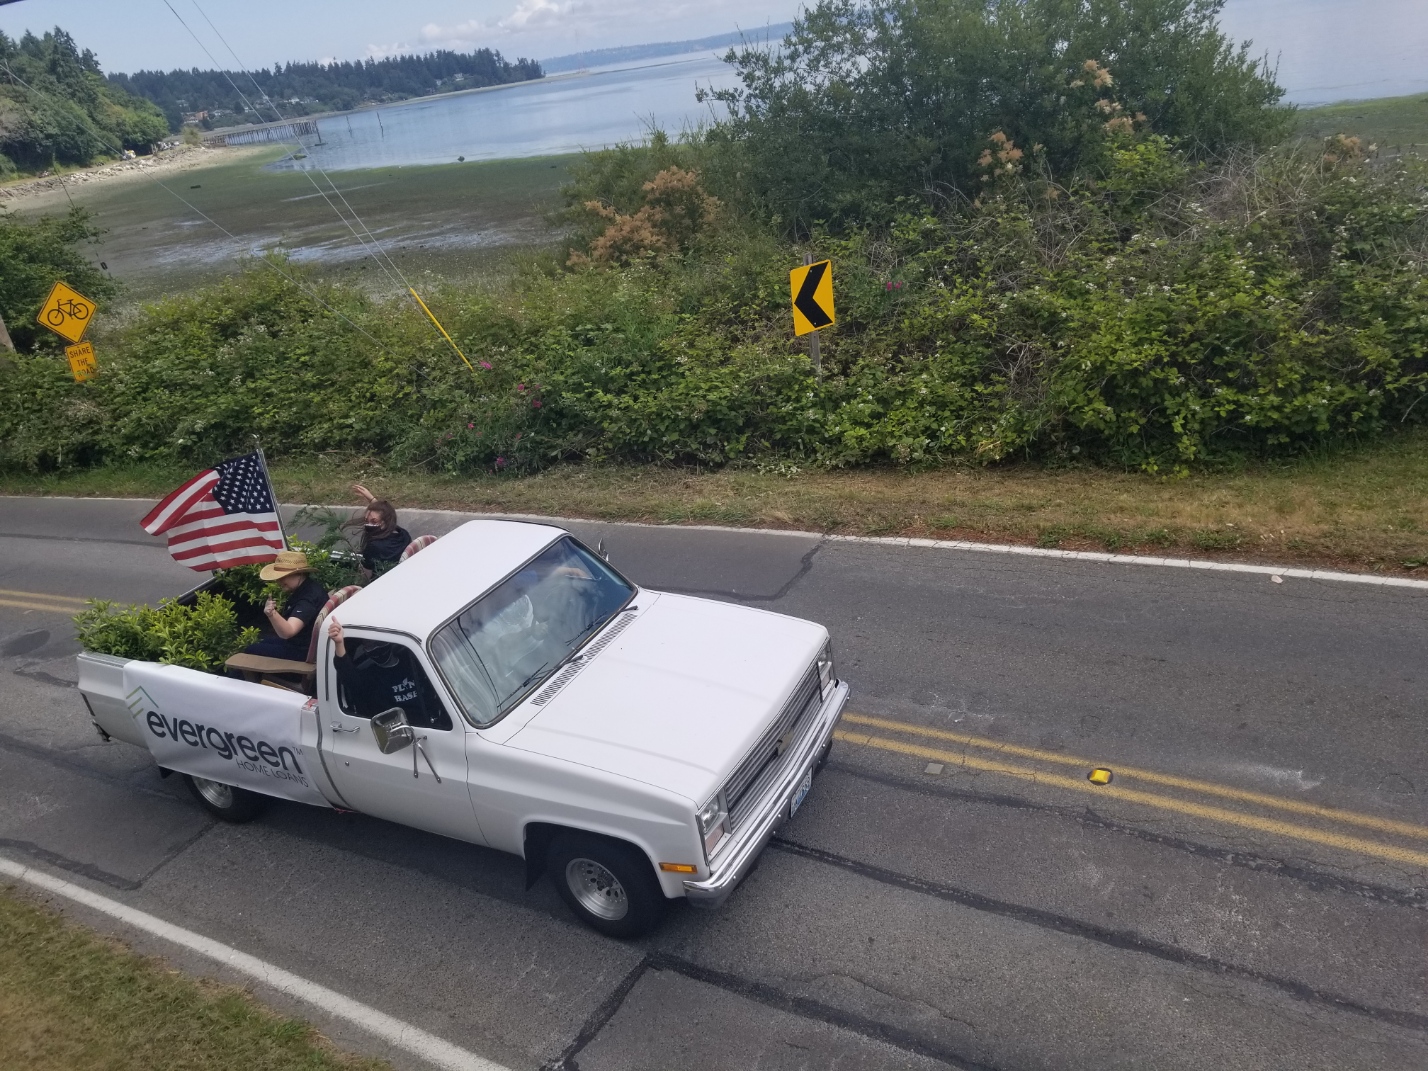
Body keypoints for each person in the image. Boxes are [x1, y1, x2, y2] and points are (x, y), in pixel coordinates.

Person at [327, 618, 449, 730]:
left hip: (435, 723)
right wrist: (339, 644)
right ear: (364, 649)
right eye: (369, 645)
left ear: (388, 642)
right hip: (403, 732)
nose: (376, 648)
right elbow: (349, 677)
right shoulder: (370, 678)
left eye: (379, 643)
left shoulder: (413, 661)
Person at [241, 550, 329, 662]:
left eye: (283, 577)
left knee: (251, 650)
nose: (279, 581)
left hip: (301, 652)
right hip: (306, 643)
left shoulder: (306, 600)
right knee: (261, 642)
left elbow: (288, 632)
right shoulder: (311, 587)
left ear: (300, 574)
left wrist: (271, 613)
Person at [351, 483, 411, 574]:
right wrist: (371, 499)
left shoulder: (374, 547)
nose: (369, 524)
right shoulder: (403, 535)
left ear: (385, 521)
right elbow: (387, 514)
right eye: (366, 521)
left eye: (374, 522)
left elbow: (365, 576)